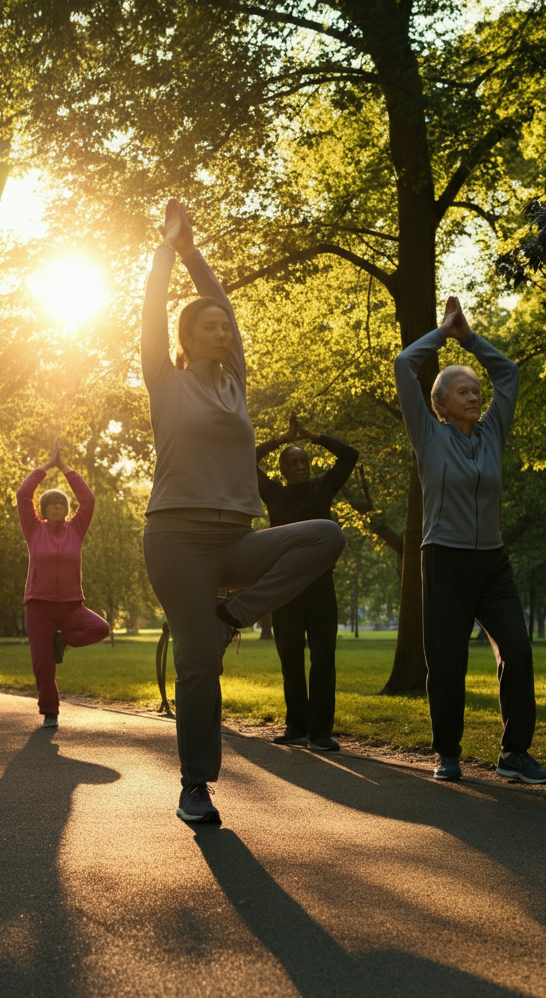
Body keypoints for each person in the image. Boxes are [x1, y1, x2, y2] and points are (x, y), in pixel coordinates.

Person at [141, 200, 346, 824]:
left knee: (325, 537)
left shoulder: (235, 384)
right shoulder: (164, 381)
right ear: (185, 338)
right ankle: (195, 786)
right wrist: (167, 249)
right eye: (211, 328)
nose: (224, 332)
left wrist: (197, 252)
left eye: (227, 328)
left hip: (236, 540)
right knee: (199, 663)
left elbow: (223, 305)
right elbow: (150, 315)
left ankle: (235, 613)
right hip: (178, 539)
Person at [393, 296, 546, 784]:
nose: (473, 396)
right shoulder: (428, 434)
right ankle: (447, 752)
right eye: (461, 391)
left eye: (474, 390)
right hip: (444, 559)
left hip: (492, 563)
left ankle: (514, 754)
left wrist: (470, 338)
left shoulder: (491, 434)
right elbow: (404, 364)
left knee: (518, 650)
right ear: (438, 404)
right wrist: (443, 332)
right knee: (447, 661)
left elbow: (507, 373)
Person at [256, 412, 358, 751]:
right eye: (293, 462)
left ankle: (320, 733)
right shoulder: (273, 493)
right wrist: (282, 440)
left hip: (320, 587)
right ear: (282, 470)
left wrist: (314, 437)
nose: (301, 466)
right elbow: (244, 460)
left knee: (323, 658)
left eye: (305, 461)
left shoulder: (323, 487)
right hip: (284, 589)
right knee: (291, 659)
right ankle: (296, 727)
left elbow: (349, 455)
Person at [16, 443, 111, 729]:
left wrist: (66, 469)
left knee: (100, 628)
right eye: (52, 504)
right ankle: (50, 712)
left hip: (71, 605)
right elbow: (23, 495)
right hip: (39, 607)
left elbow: (89, 500)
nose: (57, 507)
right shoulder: (33, 530)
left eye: (62, 504)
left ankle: (62, 641)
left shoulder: (76, 530)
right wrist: (45, 467)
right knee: (43, 665)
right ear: (43, 510)